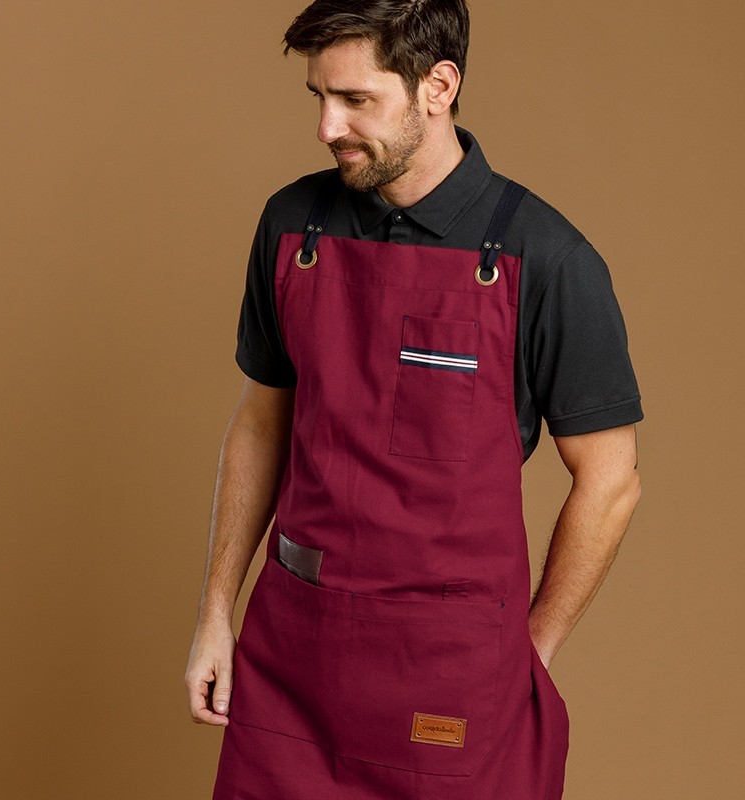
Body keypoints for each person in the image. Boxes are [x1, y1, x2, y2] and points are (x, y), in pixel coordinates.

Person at [185, 1, 644, 797]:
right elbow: (261, 425)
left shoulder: (548, 258)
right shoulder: (292, 227)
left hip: (449, 674)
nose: (327, 127)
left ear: (438, 87)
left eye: (355, 100)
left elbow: (611, 480)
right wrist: (215, 615)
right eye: (319, 97)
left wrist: (530, 650)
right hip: (293, 659)